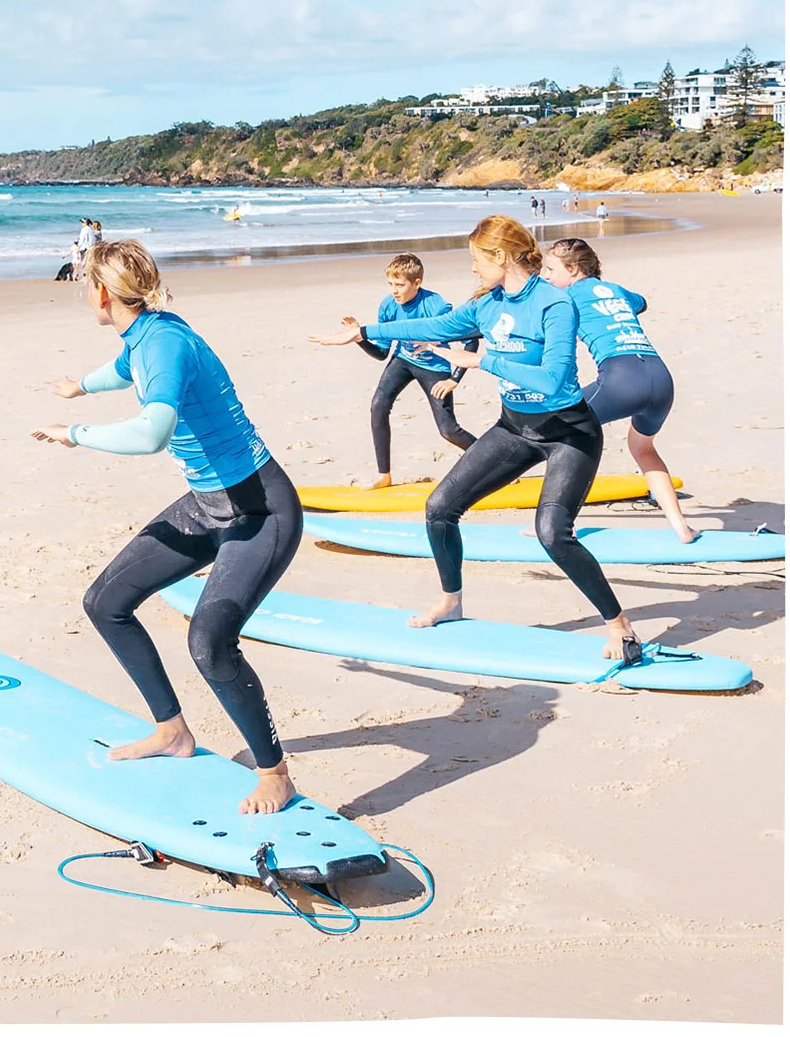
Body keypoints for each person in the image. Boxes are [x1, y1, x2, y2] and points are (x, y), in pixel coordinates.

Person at [33, 239, 302, 815]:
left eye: (87, 283)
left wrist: (73, 431)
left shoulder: (165, 345)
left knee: (209, 643)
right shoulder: (147, 334)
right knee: (106, 601)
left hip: (260, 508)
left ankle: (275, 774)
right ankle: (172, 732)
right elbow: (122, 368)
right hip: (208, 505)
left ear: (102, 292)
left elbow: (152, 432)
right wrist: (79, 384)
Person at [310, 216, 640, 659]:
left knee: (552, 533)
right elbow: (434, 327)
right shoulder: (488, 303)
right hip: (515, 428)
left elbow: (554, 379)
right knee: (440, 508)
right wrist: (364, 332)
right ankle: (451, 602)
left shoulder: (554, 304)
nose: (472, 269)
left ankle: (619, 625)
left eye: (476, 260)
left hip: (568, 433)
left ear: (501, 257)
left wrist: (482, 362)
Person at [542, 237, 696, 543]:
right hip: (660, 378)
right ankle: (682, 527)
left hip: (621, 379)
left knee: (557, 431)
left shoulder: (566, 298)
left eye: (549, 269)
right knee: (643, 448)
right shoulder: (615, 290)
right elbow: (641, 303)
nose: (545, 276)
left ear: (572, 269)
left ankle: (553, 523)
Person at [350, 253, 478, 489]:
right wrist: (359, 336)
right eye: (390, 284)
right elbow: (381, 354)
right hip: (403, 360)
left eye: (400, 285)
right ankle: (384, 475)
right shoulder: (388, 305)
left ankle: (496, 462)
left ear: (417, 283)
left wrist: (454, 379)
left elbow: (472, 340)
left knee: (449, 431)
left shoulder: (436, 306)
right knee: (378, 405)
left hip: (434, 366)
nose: (394, 291)